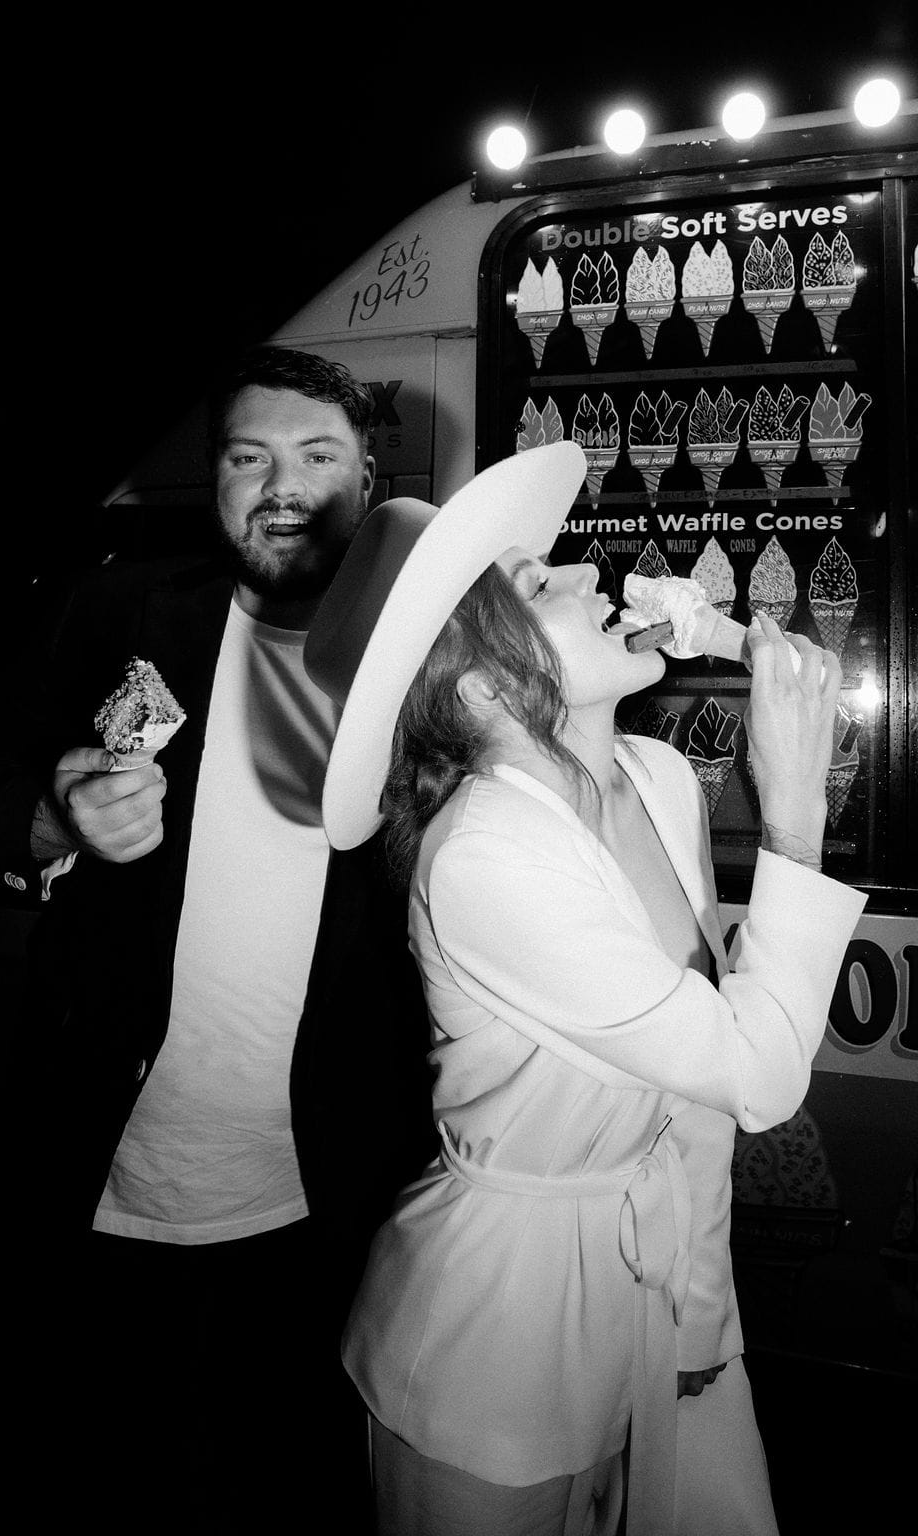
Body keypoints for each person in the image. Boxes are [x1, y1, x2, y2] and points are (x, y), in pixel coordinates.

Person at [302, 440, 868, 1536]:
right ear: (479, 686)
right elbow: (755, 1073)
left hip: (644, 1307)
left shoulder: (658, 779)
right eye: (536, 584)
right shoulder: (484, 856)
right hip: (487, 1336)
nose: (582, 571)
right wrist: (796, 813)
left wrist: (699, 1325)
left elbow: (693, 1104)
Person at [0, 345, 436, 1533]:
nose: (282, 487)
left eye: (316, 456)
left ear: (368, 477)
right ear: (213, 480)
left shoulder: (421, 653)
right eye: (248, 458)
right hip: (111, 1170)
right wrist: (56, 818)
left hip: (325, 1191)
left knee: (294, 1486)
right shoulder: (120, 614)